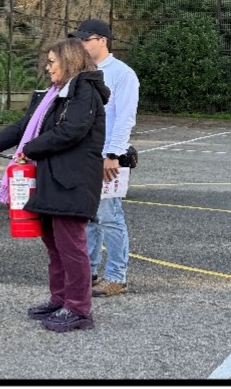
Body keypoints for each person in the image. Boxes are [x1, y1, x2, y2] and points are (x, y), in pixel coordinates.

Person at [0, 38, 110, 333]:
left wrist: (29, 149)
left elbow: (72, 130)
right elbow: (23, 127)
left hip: (72, 182)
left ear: (69, 61)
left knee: (72, 248)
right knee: (55, 246)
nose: (47, 68)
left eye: (51, 62)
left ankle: (79, 310)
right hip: (48, 180)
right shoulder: (52, 95)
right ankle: (60, 300)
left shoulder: (86, 91)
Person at [69, 19, 140, 298]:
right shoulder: (80, 72)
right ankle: (89, 271)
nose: (81, 45)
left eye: (86, 40)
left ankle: (116, 277)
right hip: (84, 156)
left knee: (110, 216)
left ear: (102, 40)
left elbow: (125, 118)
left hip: (108, 157)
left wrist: (113, 154)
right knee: (89, 218)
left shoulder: (122, 74)